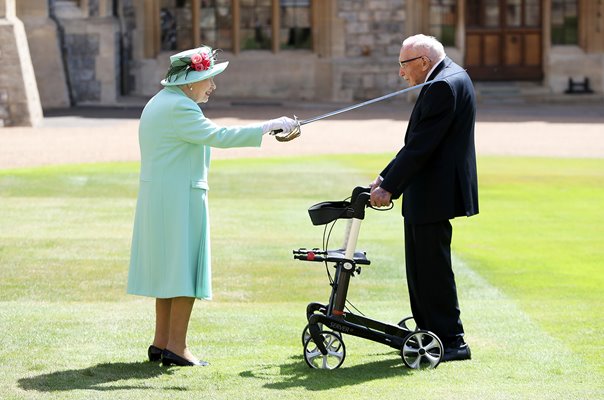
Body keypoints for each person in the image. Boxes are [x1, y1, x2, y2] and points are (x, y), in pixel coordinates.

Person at [127, 46, 298, 367]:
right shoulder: (180, 107)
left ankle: (161, 342)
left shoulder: (160, 102)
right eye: (208, 79)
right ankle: (176, 347)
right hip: (179, 199)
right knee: (184, 272)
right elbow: (218, 135)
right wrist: (268, 126)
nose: (212, 86)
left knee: (169, 272)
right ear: (190, 82)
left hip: (162, 198)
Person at [369, 34, 478, 362]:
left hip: (434, 191)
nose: (401, 72)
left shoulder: (443, 85)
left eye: (404, 64)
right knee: (421, 267)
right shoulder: (449, 76)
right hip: (428, 190)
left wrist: (388, 186)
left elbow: (421, 146)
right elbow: (419, 141)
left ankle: (451, 340)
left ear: (423, 63)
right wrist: (385, 176)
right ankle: (430, 329)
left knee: (431, 268)